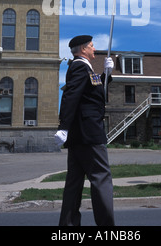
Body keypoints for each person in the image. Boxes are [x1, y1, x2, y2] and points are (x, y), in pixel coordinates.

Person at [54, 35, 115, 226]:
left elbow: (93, 90)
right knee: (101, 179)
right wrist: (63, 126)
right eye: (91, 45)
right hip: (89, 134)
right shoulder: (81, 66)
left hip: (79, 135)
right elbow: (71, 95)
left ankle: (68, 226)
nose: (94, 48)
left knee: (74, 183)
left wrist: (106, 73)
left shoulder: (83, 67)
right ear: (82, 49)